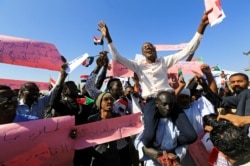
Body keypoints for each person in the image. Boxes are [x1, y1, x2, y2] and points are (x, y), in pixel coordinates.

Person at [98, 9, 213, 148]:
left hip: (170, 100)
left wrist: (202, 26)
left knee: (191, 136)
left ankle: (171, 146)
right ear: (143, 53)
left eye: (150, 46)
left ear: (155, 50)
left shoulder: (164, 61)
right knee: (148, 137)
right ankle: (153, 153)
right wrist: (108, 37)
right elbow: (117, 57)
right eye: (145, 47)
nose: (148, 47)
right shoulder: (137, 65)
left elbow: (188, 49)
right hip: (152, 102)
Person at [134, 90, 197, 166]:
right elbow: (137, 141)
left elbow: (184, 144)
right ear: (157, 104)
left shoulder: (178, 122)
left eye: (170, 105)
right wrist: (146, 150)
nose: (168, 108)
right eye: (164, 104)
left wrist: (177, 155)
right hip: (153, 162)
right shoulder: (147, 121)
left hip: (171, 162)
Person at [88, 92, 132, 166]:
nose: (109, 101)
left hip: (115, 157)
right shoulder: (92, 120)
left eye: (111, 99)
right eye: (106, 99)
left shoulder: (118, 118)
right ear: (100, 103)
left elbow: (125, 137)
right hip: (98, 157)